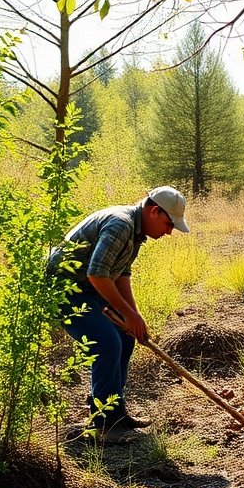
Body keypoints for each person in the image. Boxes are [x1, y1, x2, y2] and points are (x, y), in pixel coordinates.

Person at [47, 186, 190, 441]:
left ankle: (114, 411)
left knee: (125, 337)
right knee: (106, 342)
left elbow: (121, 274)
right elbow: (97, 273)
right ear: (154, 212)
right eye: (169, 224)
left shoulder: (136, 231)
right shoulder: (121, 224)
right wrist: (128, 315)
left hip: (86, 288)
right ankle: (104, 424)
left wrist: (133, 317)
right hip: (63, 290)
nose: (169, 232)